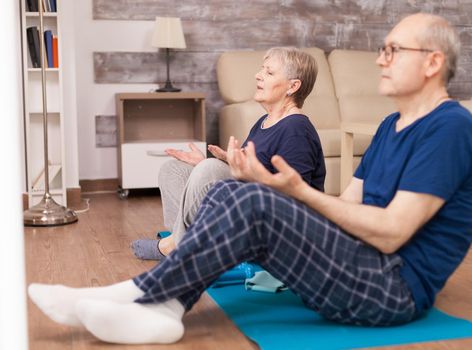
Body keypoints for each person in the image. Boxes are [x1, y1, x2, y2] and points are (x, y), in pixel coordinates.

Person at [28, 13, 472, 345]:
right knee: (233, 189)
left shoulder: (450, 128)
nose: (380, 60)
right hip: (355, 265)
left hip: (391, 291)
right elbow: (349, 206)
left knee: (246, 198)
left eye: (394, 50)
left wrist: (293, 193)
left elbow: (390, 234)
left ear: (432, 62)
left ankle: (129, 295)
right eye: (382, 50)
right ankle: (165, 309)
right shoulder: (392, 127)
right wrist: (270, 191)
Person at [131, 46, 326, 260]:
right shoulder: (264, 122)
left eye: (269, 73)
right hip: (247, 206)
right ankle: (187, 242)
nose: (258, 75)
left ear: (293, 86)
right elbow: (245, 171)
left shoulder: (296, 129)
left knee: (210, 168)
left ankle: (178, 245)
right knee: (174, 169)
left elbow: (297, 197)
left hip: (276, 228)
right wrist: (216, 163)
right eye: (262, 69)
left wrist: (217, 169)